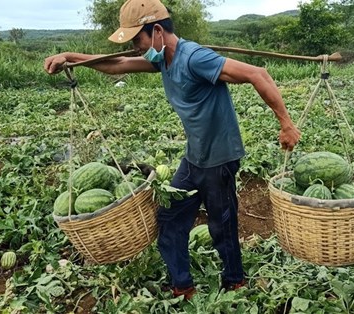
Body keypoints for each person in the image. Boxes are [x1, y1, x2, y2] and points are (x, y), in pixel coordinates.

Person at [44, 0, 301, 300]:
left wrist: (286, 124)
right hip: (193, 158)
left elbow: (258, 74)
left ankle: (235, 281)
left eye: (137, 39)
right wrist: (69, 57)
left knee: (222, 225)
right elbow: (117, 65)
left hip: (218, 159)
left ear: (156, 31)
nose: (135, 47)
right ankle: (183, 286)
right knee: (169, 218)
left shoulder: (195, 58)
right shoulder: (162, 58)